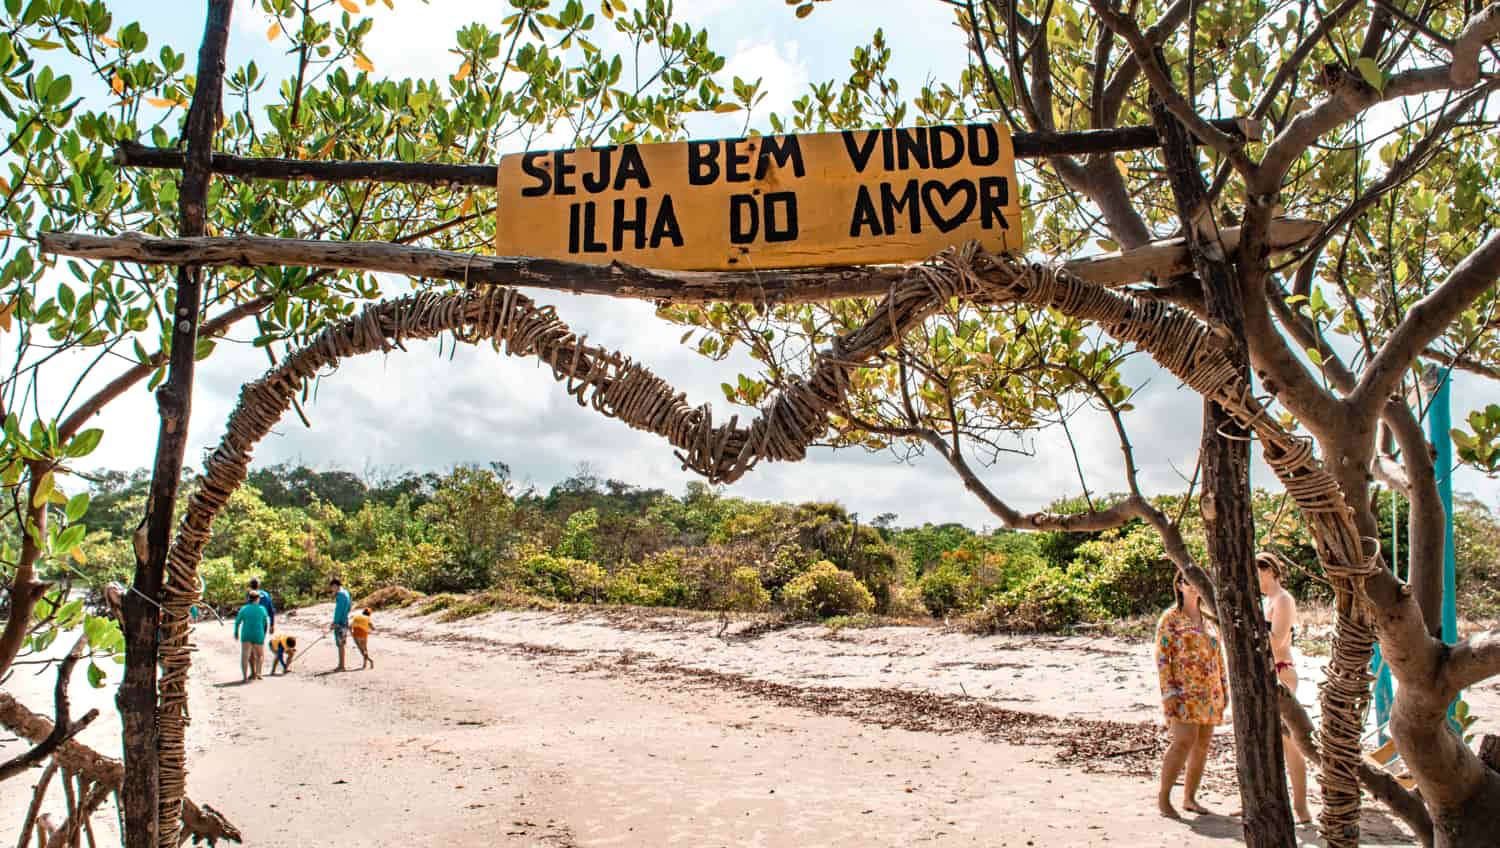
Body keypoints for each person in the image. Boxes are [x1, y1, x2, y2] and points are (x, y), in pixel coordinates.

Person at [1155, 572, 1228, 818]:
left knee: (1202, 744)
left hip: (1210, 691)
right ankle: (1164, 798)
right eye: (1188, 582)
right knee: (1183, 740)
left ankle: (1190, 797)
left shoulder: (1209, 619)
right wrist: (1169, 693)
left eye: (1197, 581)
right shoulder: (1170, 618)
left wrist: (1224, 688)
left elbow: (1219, 657)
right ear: (1179, 585)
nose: (1194, 586)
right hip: (1183, 691)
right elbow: (1163, 658)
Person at [1258, 551, 1313, 824]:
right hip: (1265, 674)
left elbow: (1277, 641)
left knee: (1290, 742)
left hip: (1282, 673)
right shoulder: (1266, 600)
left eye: (1256, 572)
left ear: (1268, 570)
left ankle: (1301, 805)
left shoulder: (1283, 600)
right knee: (1266, 741)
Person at [233, 590, 270, 682]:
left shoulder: (244, 609)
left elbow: (237, 622)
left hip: (246, 634)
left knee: (245, 656)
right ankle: (259, 673)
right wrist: (264, 632)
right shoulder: (262, 609)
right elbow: (265, 622)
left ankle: (245, 677)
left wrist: (236, 632)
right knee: (260, 655)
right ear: (257, 599)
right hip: (258, 633)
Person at [330, 578, 352, 672]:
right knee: (342, 644)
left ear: (335, 586)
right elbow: (349, 607)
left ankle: (341, 666)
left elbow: (338, 611)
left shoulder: (340, 595)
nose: (332, 589)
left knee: (340, 644)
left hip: (340, 623)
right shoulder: (346, 593)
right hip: (344, 621)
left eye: (332, 587)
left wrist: (335, 622)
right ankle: (341, 665)